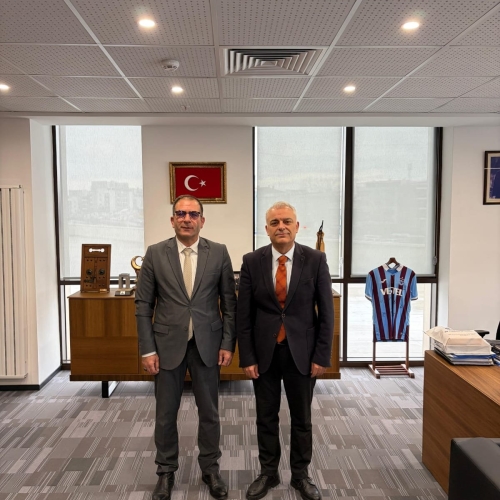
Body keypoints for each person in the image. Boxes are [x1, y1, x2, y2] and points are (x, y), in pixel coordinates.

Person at [135, 195, 236, 500]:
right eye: (181, 214)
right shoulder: (155, 253)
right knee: (166, 414)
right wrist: (147, 350)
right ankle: (166, 472)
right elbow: (143, 305)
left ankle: (210, 469)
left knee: (210, 413)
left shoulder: (218, 252)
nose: (187, 219)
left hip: (208, 344)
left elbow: (229, 303)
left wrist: (227, 343)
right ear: (172, 220)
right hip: (166, 345)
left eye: (193, 214)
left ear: (202, 220)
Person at [237, 201, 334, 500]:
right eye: (275, 222)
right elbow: (244, 315)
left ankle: (300, 475)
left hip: (302, 353)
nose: (281, 226)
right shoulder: (252, 261)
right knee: (265, 417)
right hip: (264, 353)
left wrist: (321, 355)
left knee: (301, 419)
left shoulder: (315, 259)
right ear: (266, 229)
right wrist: (247, 357)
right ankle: (268, 473)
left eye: (287, 221)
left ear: (297, 226)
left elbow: (326, 313)